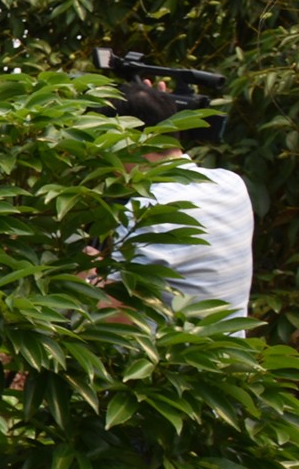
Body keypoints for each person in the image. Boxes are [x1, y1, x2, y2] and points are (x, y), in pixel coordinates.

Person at [109, 80, 254, 317]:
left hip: (165, 353)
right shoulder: (231, 184)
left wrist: (89, 276)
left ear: (125, 141)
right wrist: (151, 104)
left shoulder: (147, 212)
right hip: (226, 351)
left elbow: (114, 319)